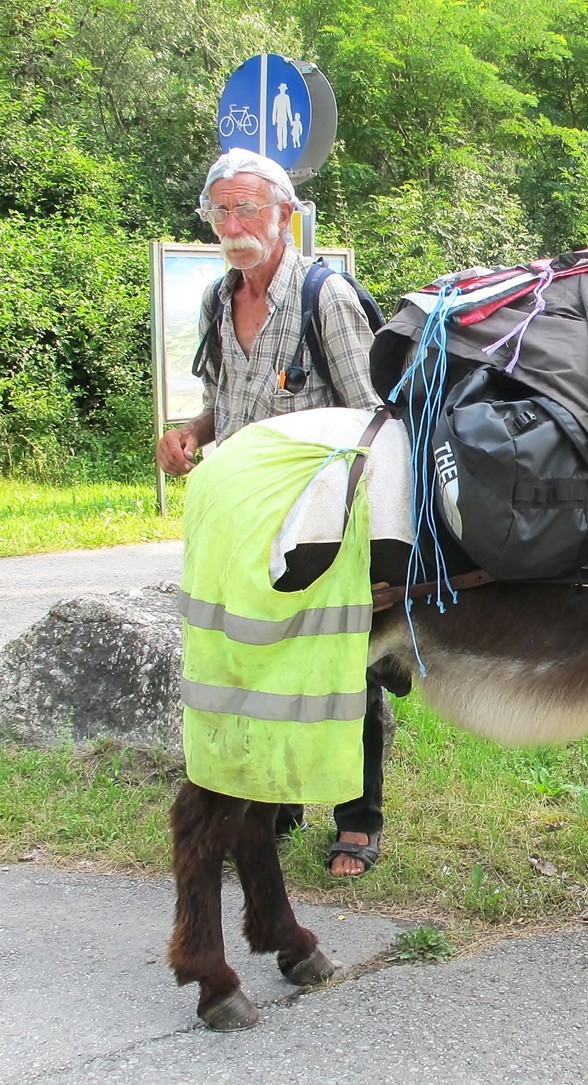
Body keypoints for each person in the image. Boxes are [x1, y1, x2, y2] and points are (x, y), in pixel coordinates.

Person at [157, 148, 387, 878]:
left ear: (286, 214)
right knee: (263, 663)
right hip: (248, 525)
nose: (233, 224)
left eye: (247, 208)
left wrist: (374, 541)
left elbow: (378, 418)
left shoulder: (328, 300)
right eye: (220, 210)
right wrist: (193, 433)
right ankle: (276, 804)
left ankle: (358, 820)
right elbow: (226, 404)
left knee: (345, 664)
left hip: (324, 522)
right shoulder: (219, 301)